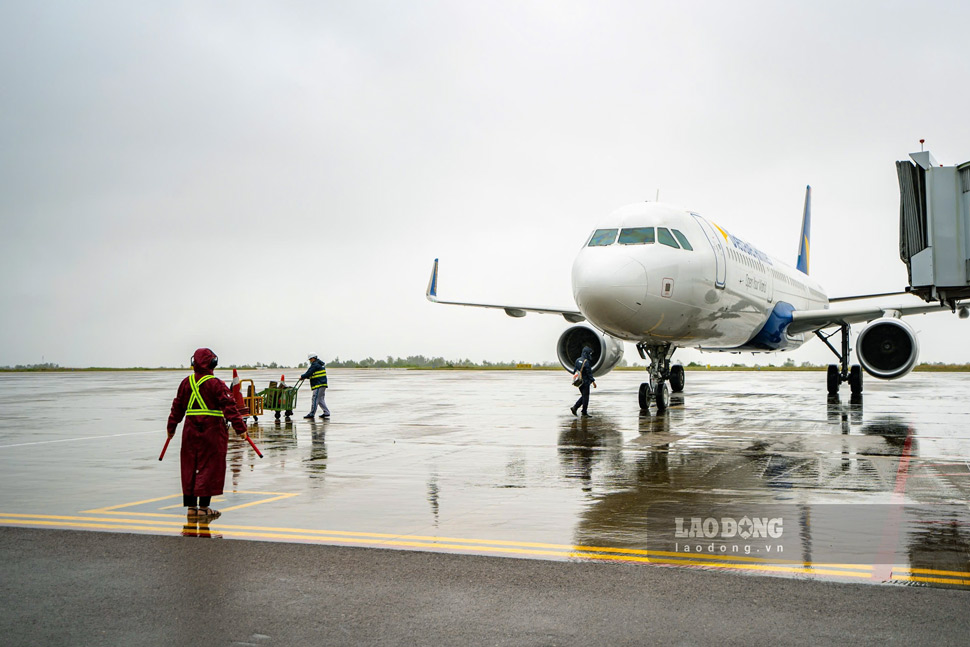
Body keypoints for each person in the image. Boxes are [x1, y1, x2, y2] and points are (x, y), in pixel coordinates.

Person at [166, 348, 248, 520]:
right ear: (213, 363)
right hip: (212, 431)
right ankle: (204, 508)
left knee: (190, 466)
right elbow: (230, 407)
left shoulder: (186, 383)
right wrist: (240, 428)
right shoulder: (216, 384)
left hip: (190, 430)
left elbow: (177, 407)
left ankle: (191, 508)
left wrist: (171, 427)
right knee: (209, 467)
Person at [570, 346, 597, 416]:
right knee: (586, 397)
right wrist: (593, 382)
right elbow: (589, 373)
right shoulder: (586, 362)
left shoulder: (577, 360)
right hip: (585, 382)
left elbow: (574, 371)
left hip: (579, 382)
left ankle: (577, 408)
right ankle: (580, 410)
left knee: (584, 396)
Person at [302, 353, 330, 419]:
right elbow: (313, 374)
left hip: (318, 384)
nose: (310, 361)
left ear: (313, 358)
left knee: (315, 399)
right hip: (323, 384)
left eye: (310, 359)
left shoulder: (315, 365)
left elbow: (309, 372)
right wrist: (306, 377)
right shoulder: (320, 364)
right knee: (320, 399)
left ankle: (312, 413)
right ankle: (326, 412)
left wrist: (302, 376)